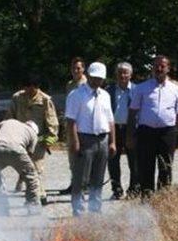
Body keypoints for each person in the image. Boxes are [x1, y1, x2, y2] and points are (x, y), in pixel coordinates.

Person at [126, 55, 178, 198]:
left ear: (168, 69)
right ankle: (146, 199)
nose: (159, 69)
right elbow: (132, 113)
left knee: (166, 166)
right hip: (146, 132)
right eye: (156, 66)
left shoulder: (176, 89)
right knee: (146, 166)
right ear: (152, 68)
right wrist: (130, 135)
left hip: (167, 133)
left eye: (162, 66)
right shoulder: (141, 88)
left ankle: (163, 200)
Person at [65, 62, 116, 216]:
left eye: (100, 78)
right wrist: (75, 141)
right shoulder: (76, 95)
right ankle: (78, 212)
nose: (96, 81)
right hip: (84, 139)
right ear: (88, 75)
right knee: (80, 179)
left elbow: (110, 120)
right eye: (94, 77)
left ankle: (95, 211)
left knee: (98, 179)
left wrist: (113, 142)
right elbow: (70, 121)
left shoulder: (105, 95)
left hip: (102, 139)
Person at [4, 73, 58, 205]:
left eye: (30, 87)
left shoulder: (45, 100)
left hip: (38, 140)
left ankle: (39, 196)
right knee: (25, 167)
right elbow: (9, 117)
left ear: (36, 86)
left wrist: (49, 140)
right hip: (20, 140)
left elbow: (52, 122)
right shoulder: (17, 98)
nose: (27, 90)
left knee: (36, 168)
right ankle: (26, 186)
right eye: (25, 87)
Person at [0, 119, 40, 215]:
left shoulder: (9, 121)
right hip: (16, 150)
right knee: (32, 176)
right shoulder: (33, 134)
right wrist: (20, 181)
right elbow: (28, 158)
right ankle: (32, 205)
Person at [106, 62, 138, 199]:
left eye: (125, 72)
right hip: (114, 130)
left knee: (134, 161)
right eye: (120, 72)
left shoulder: (137, 90)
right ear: (116, 75)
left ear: (130, 74)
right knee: (113, 160)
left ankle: (134, 189)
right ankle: (116, 189)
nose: (122, 75)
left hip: (131, 129)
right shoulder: (109, 90)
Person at [59, 57, 88, 195]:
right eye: (73, 68)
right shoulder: (69, 84)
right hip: (71, 124)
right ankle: (74, 183)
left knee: (84, 156)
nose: (76, 71)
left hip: (84, 125)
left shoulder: (88, 84)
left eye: (78, 68)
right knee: (72, 156)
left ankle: (85, 184)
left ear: (83, 69)